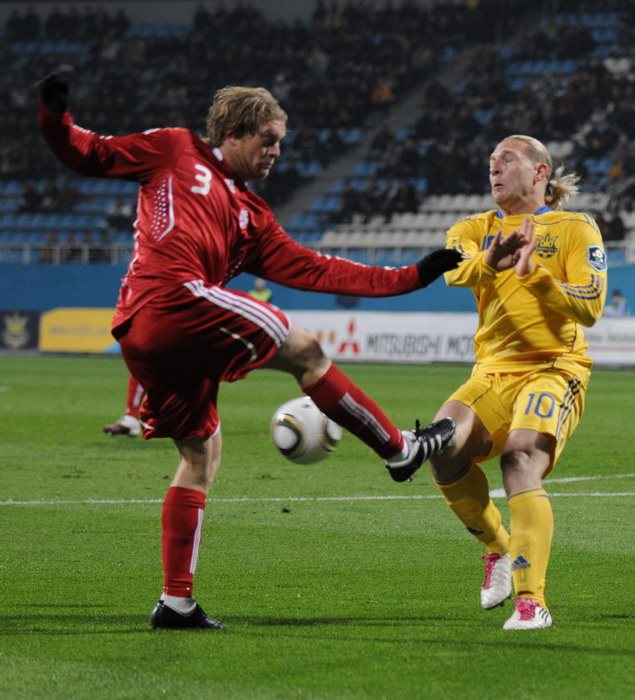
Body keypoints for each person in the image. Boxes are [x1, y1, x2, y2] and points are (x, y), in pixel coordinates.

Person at [39, 71, 462, 631]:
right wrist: (55, 117)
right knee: (304, 348)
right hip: (171, 298)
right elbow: (89, 153)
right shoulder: (174, 150)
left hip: (147, 334)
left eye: (280, 142)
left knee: (201, 454)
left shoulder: (252, 218)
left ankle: (176, 601)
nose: (276, 151)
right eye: (268, 139)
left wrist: (412, 275)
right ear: (234, 133)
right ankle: (399, 450)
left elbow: (319, 269)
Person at [426, 135, 607, 630]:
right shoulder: (474, 227)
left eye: (506, 160)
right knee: (443, 448)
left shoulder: (574, 227)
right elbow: (453, 271)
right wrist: (491, 262)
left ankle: (532, 601)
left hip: (554, 368)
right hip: (491, 372)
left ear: (540, 172)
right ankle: (498, 548)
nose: (494, 168)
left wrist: (537, 278)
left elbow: (591, 305)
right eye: (490, 162)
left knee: (520, 458)